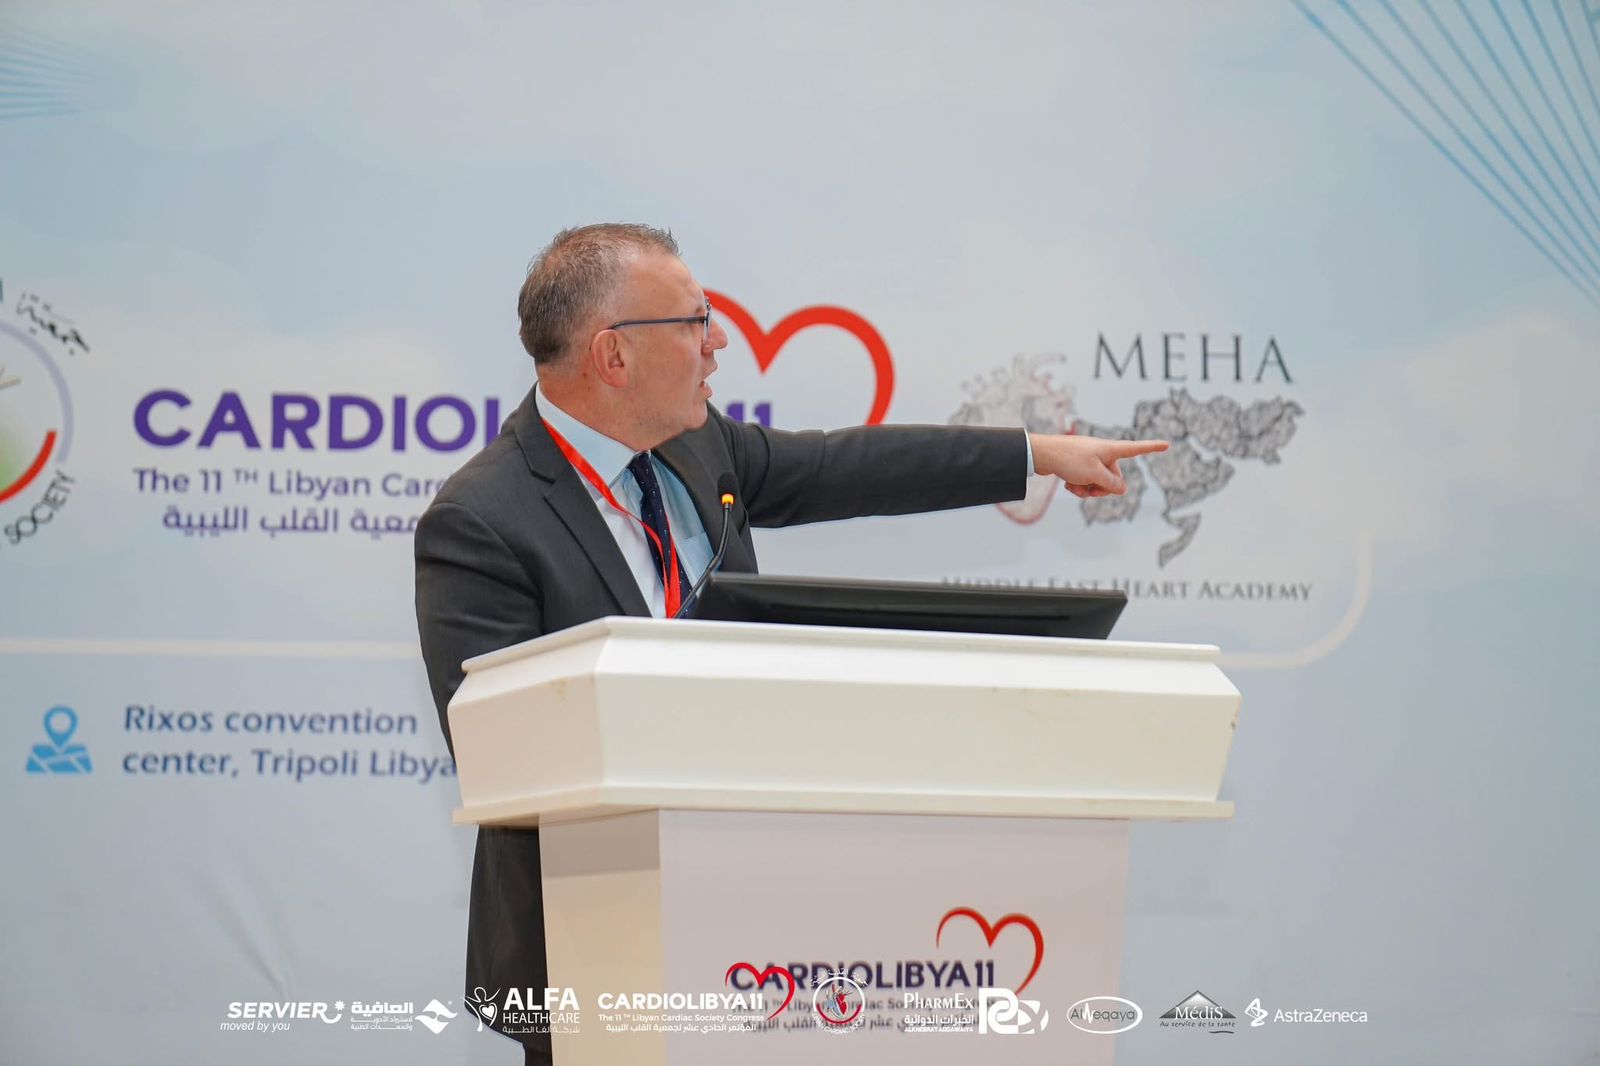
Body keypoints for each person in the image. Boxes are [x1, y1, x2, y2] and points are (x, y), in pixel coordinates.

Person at [413, 223, 1165, 1063]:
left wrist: (1037, 453)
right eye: (695, 322)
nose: (718, 344)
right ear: (612, 355)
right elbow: (501, 755)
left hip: (769, 921)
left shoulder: (701, 447)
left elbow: (852, 467)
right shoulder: (482, 520)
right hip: (593, 947)